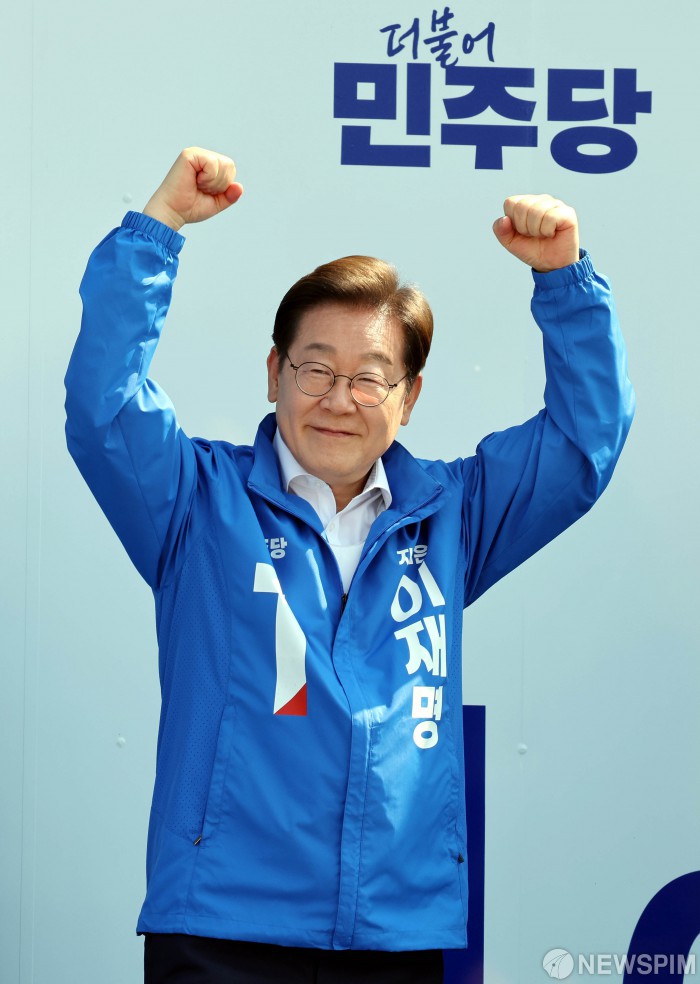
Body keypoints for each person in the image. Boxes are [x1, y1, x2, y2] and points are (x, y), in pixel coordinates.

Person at [65, 147, 635, 984]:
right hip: (223, 925)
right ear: (274, 373)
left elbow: (584, 443)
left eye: (370, 378)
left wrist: (564, 280)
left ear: (409, 398)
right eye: (315, 369)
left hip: (396, 928)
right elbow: (104, 405)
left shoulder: (452, 513)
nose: (338, 399)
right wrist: (160, 229)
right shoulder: (196, 500)